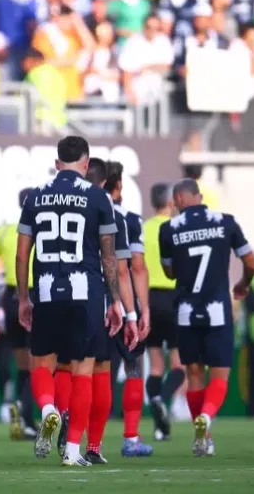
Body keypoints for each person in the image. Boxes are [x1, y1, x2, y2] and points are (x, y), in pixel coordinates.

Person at [17, 136, 125, 467]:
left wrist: (23, 298)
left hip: (47, 289)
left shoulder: (35, 196)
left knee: (42, 363)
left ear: (56, 163)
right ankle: (73, 450)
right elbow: (109, 255)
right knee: (83, 371)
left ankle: (48, 409)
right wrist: (115, 300)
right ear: (85, 163)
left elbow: (22, 254)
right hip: (86, 291)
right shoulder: (98, 197)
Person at [158, 178, 254, 457]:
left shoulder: (169, 228)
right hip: (217, 310)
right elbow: (251, 262)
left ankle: (203, 438)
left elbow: (169, 272)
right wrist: (244, 283)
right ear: (199, 197)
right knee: (220, 374)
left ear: (178, 200)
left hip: (187, 311)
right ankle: (207, 417)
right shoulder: (225, 222)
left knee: (194, 373)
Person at [55, 157, 139, 465]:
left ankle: (63, 412)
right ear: (103, 182)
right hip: (97, 299)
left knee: (65, 365)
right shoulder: (111, 212)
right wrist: (129, 312)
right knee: (99, 369)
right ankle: (92, 444)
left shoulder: (54, 204)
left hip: (59, 294)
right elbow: (122, 269)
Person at [104, 161, 152, 458]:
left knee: (91, 372)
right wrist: (141, 309)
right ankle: (131, 437)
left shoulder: (86, 213)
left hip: (92, 302)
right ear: (119, 186)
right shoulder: (129, 220)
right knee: (133, 367)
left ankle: (80, 440)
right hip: (122, 303)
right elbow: (136, 267)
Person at [0, 188, 38, 441]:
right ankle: (27, 416)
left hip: (10, 299)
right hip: (33, 296)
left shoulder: (5, 231)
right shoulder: (41, 230)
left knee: (22, 364)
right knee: (39, 364)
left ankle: (20, 414)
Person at [142, 182, 187, 440]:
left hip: (150, 299)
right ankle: (162, 399)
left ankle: (160, 427)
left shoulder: (143, 229)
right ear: (172, 202)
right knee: (178, 364)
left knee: (156, 365)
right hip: (174, 297)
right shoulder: (177, 228)